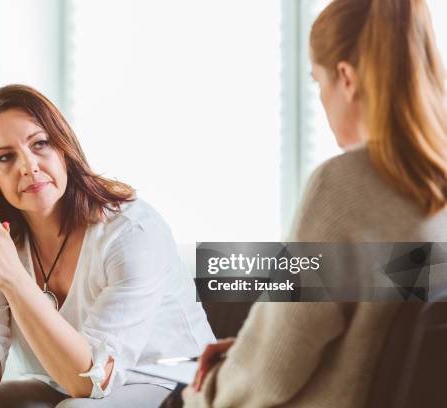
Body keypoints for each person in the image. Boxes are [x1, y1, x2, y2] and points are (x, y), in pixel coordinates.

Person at [182, 0, 447, 406]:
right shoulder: (432, 189)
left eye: (317, 81)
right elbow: (364, 327)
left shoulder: (346, 186)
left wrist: (206, 390)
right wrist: (244, 354)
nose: (322, 100)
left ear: (346, 78)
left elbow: (271, 372)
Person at [0, 84, 215, 407]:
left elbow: (88, 382)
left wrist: (14, 278)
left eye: (40, 144)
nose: (28, 166)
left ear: (64, 149)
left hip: (174, 384)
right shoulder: (5, 244)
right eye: (5, 157)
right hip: (64, 383)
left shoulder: (132, 232)